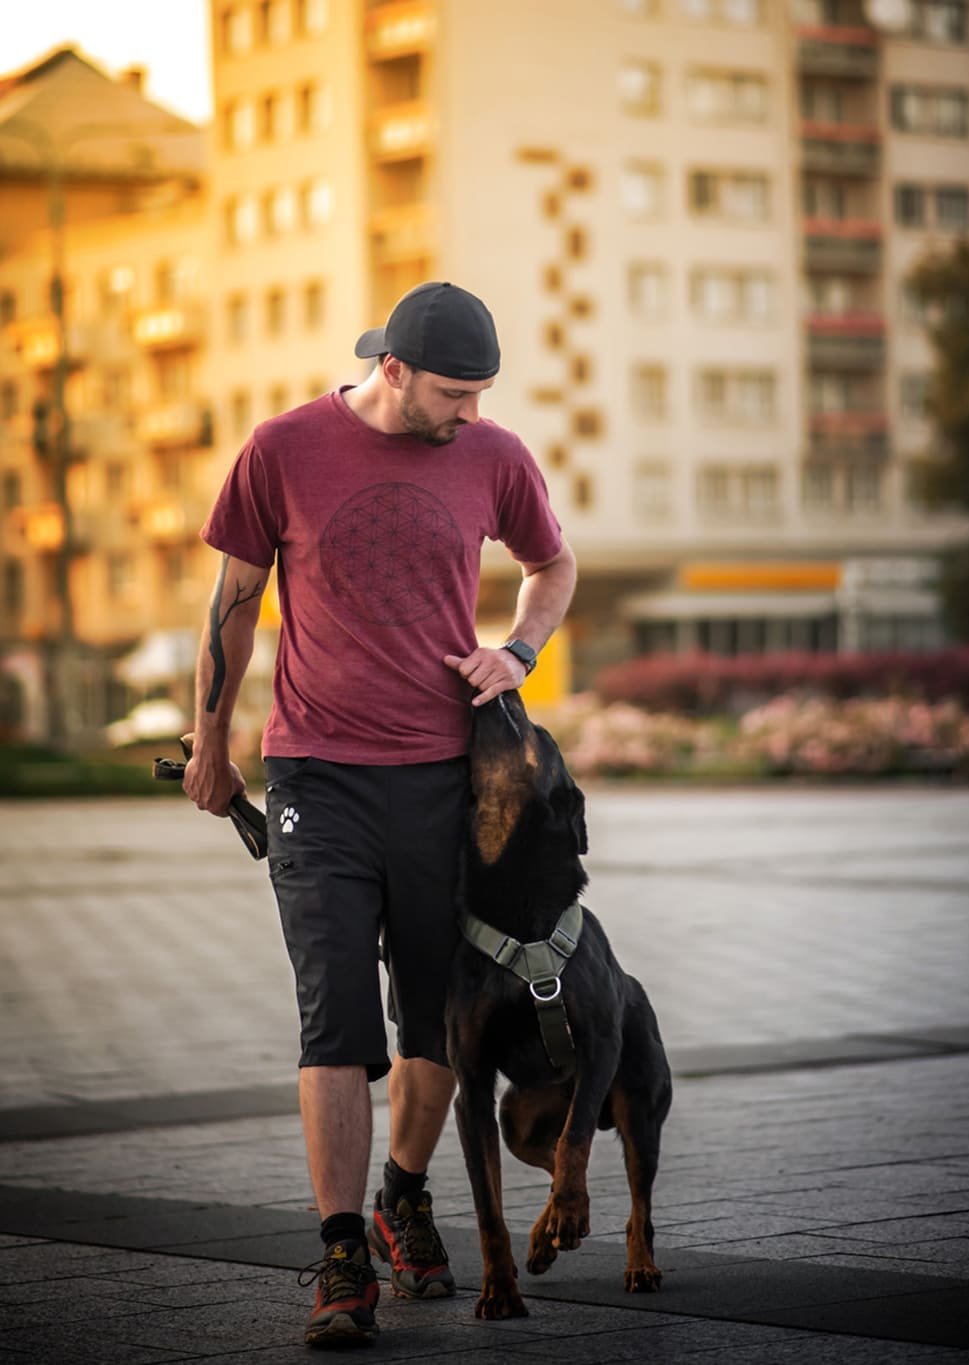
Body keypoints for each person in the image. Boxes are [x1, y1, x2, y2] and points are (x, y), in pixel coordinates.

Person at [183, 281, 577, 1348]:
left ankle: (405, 1191)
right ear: (392, 371)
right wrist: (211, 741)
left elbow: (552, 565)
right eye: (455, 392)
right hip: (317, 774)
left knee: (436, 1019)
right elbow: (233, 602)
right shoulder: (283, 450)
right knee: (335, 1016)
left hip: (449, 780)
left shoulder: (493, 458)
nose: (470, 414)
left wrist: (518, 650)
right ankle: (342, 1252)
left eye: (484, 394)